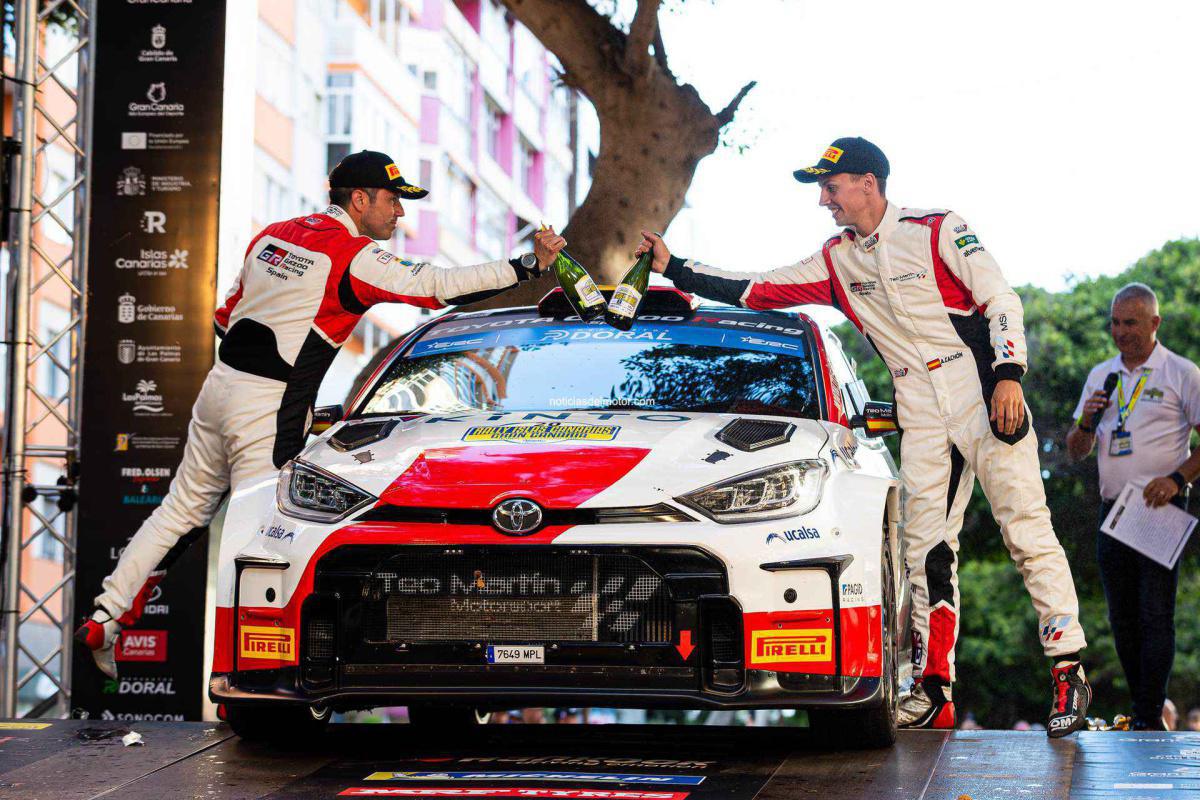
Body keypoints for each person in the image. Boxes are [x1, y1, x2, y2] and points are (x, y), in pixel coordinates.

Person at [636, 137, 1090, 737]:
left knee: (1026, 529)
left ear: (868, 183)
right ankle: (935, 690)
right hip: (919, 412)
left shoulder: (938, 228)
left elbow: (1000, 298)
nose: (824, 200)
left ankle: (1068, 671)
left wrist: (1009, 376)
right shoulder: (835, 259)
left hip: (983, 394)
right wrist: (676, 268)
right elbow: (759, 288)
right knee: (924, 550)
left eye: (831, 186)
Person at [75, 150, 567, 677]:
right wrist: (527, 265)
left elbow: (226, 320)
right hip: (266, 406)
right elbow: (438, 288)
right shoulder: (354, 254)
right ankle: (250, 678)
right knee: (264, 534)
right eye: (393, 200)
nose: (399, 213)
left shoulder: (273, 234)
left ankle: (107, 616)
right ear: (359, 199)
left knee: (178, 512)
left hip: (219, 389)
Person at [1065, 283, 1200, 730]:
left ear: (1155, 323)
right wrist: (1087, 420)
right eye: (1116, 323)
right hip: (1113, 513)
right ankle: (1146, 710)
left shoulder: (1181, 373)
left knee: (1155, 613)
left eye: (1131, 323)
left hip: (1160, 510)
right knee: (1122, 619)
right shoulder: (1101, 375)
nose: (1121, 332)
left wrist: (1177, 478)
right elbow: (1076, 449)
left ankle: (1146, 714)